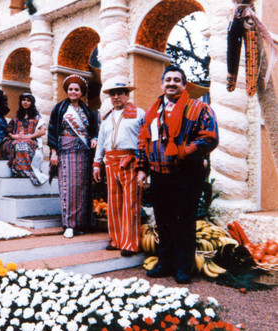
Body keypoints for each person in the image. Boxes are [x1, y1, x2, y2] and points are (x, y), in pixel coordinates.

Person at [136, 66, 219, 284]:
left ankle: (183, 268)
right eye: (168, 79)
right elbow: (143, 141)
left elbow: (210, 136)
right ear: (162, 83)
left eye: (177, 80)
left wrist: (186, 150)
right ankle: (166, 263)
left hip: (187, 174)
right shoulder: (152, 111)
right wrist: (142, 168)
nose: (172, 83)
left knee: (184, 222)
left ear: (184, 85)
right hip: (159, 173)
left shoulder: (199, 108)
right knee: (163, 221)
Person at [92, 80, 145, 257]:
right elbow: (101, 142)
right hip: (110, 162)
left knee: (130, 203)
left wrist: (143, 166)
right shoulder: (107, 118)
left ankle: (130, 243)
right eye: (112, 94)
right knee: (114, 203)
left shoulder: (138, 114)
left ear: (127, 95)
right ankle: (117, 240)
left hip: (130, 162)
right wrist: (97, 163)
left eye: (120, 93)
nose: (116, 97)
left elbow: (144, 141)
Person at [48, 74, 99, 238]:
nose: (73, 92)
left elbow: (93, 131)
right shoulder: (60, 109)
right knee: (68, 186)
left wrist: (94, 138)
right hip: (66, 151)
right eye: (70, 89)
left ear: (81, 92)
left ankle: (81, 224)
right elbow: (52, 131)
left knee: (82, 187)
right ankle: (69, 224)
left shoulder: (87, 111)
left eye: (76, 89)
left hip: (83, 152)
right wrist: (54, 153)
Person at [0, 93, 48, 185]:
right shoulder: (17, 117)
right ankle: (18, 170)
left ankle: (26, 171)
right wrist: (14, 136)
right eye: (23, 100)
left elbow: (42, 131)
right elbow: (8, 130)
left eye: (28, 100)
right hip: (17, 139)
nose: (25, 102)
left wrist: (29, 136)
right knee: (16, 144)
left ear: (32, 103)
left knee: (23, 145)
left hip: (32, 140)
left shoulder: (36, 117)